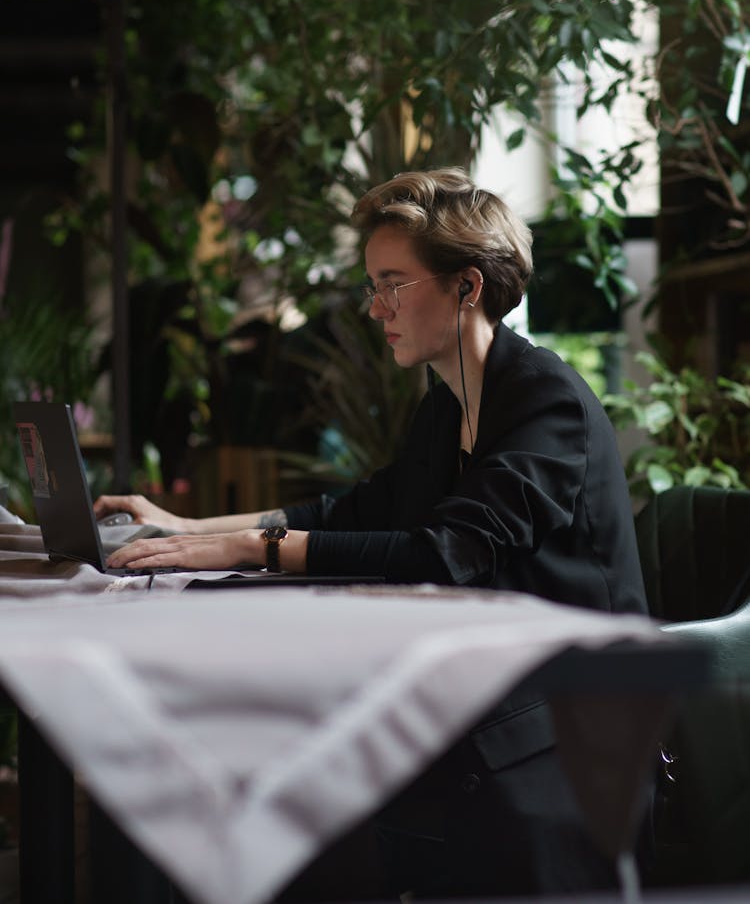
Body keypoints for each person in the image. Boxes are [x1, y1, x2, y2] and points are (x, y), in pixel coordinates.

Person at [97, 167, 649, 898]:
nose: (374, 306)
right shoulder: (447, 406)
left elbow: (444, 555)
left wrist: (243, 549)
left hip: (572, 745)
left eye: (393, 283)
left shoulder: (549, 402)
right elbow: (354, 512)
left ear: (467, 286)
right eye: (373, 285)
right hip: (489, 715)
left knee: (301, 819)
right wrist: (190, 524)